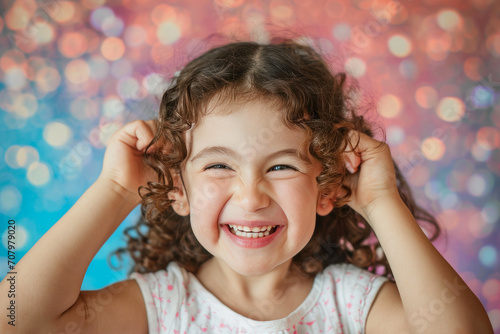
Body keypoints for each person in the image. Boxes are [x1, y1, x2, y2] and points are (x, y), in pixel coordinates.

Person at [1, 38, 493, 334]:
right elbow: (16, 319)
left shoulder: (351, 305)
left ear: (327, 186)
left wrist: (381, 201)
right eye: (218, 167)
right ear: (178, 186)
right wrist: (113, 190)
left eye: (281, 168)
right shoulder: (161, 307)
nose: (251, 196)